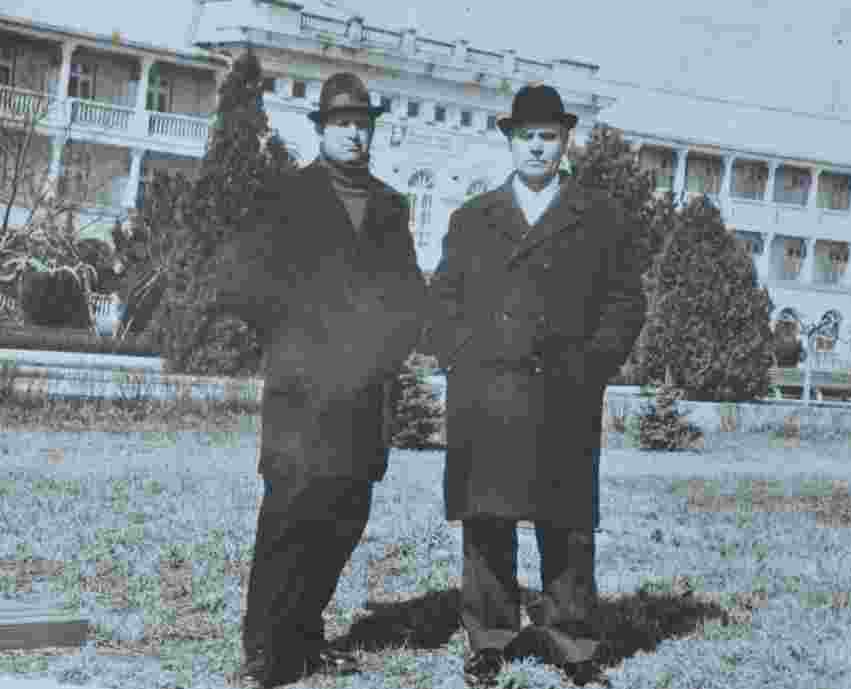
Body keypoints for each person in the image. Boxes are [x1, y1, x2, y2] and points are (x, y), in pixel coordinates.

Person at [200, 72, 427, 689]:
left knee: (343, 519)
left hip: (363, 396)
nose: (355, 134)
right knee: (287, 522)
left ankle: (304, 635)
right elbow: (241, 282)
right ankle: (264, 653)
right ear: (322, 129)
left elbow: (411, 297)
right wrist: (292, 337)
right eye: (343, 124)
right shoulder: (286, 198)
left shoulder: (390, 206)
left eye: (363, 125)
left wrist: (385, 351)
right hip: (301, 396)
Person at [421, 83, 647, 687]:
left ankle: (575, 646)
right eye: (527, 137)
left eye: (549, 137)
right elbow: (443, 301)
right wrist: (461, 361)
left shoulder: (598, 217)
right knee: (487, 522)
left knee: (566, 524)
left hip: (562, 395)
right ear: (509, 142)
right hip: (487, 394)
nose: (538, 149)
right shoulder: (473, 219)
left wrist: (591, 368)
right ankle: (488, 640)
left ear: (565, 141)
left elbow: (626, 303)